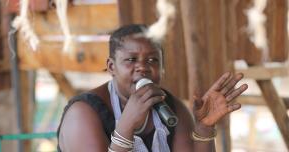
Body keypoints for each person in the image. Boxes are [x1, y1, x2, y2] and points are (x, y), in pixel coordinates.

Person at [57, 24, 248, 152]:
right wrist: (125, 128)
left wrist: (204, 128)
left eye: (153, 60)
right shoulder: (83, 113)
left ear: (162, 69)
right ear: (111, 67)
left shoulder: (172, 109)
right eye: (131, 60)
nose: (143, 67)